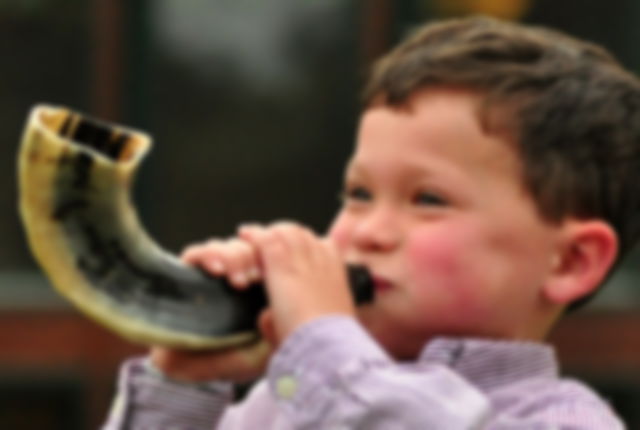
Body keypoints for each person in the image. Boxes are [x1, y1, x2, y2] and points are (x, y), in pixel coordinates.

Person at [103, 15, 640, 429]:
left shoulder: (566, 420)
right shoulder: (279, 404)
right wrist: (181, 385)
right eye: (359, 194)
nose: (367, 231)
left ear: (572, 261)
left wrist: (320, 341)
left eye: (428, 199)